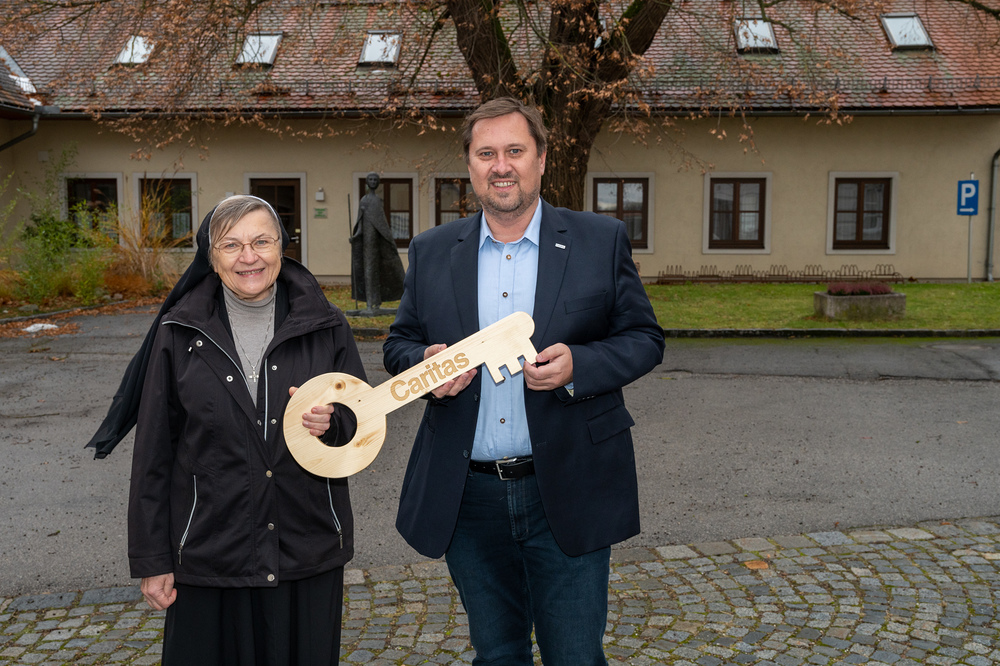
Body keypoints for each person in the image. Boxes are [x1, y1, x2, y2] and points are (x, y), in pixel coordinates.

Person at [382, 98, 665, 665]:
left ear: (541, 159)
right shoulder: (433, 251)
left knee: (576, 657)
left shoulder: (598, 240)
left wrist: (580, 367)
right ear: (469, 166)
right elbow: (398, 345)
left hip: (567, 485)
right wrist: (428, 367)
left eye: (515, 150)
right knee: (497, 654)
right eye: (486, 153)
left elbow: (643, 338)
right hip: (469, 495)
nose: (501, 165)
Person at [87, 194, 365, 665]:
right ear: (210, 257)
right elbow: (154, 453)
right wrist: (154, 560)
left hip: (306, 544)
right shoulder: (179, 333)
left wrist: (333, 422)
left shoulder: (326, 325)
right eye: (231, 244)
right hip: (212, 552)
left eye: (262, 241)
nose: (249, 256)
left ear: (283, 247)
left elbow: (359, 423)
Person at [350, 172, 405, 314]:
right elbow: (361, 223)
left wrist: (387, 240)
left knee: (374, 271)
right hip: (366, 244)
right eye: (370, 179)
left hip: (377, 243)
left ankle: (374, 303)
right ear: (367, 182)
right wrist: (355, 236)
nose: (373, 181)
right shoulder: (365, 200)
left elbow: (382, 224)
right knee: (368, 270)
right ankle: (370, 303)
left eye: (375, 179)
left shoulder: (376, 201)